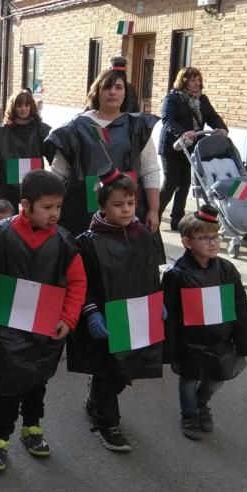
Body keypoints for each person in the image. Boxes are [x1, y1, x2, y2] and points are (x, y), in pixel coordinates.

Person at [0, 170, 87, 471]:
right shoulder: (0, 235)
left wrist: (69, 318)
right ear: (25, 205)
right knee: (5, 383)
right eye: (47, 207)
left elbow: (77, 283)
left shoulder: (65, 243)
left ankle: (32, 428)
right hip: (7, 325)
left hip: (45, 329)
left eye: (58, 207)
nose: (54, 214)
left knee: (37, 380)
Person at [67, 168, 164, 453]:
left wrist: (159, 302)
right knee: (109, 370)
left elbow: (150, 273)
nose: (125, 210)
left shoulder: (142, 236)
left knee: (126, 370)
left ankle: (95, 399)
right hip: (105, 317)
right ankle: (107, 424)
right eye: (118, 204)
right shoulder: (88, 241)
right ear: (103, 206)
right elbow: (79, 281)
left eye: (130, 203)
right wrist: (91, 312)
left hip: (137, 315)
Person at [161, 205, 247, 440]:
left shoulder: (226, 269)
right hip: (190, 343)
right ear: (187, 242)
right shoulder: (176, 274)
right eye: (204, 238)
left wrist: (242, 339)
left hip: (221, 340)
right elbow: (168, 313)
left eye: (216, 236)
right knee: (189, 380)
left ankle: (202, 402)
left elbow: (240, 305)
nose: (213, 242)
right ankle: (189, 414)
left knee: (217, 378)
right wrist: (169, 347)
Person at [46, 70, 160, 236]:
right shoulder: (76, 127)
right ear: (97, 92)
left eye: (119, 87)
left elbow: (150, 169)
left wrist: (154, 210)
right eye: (107, 87)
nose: (113, 92)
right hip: (82, 211)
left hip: (127, 209)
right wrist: (46, 205)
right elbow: (58, 172)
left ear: (125, 93)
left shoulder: (137, 126)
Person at [157, 67, 228, 231]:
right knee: (171, 182)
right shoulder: (173, 98)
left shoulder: (202, 99)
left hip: (193, 148)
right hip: (173, 146)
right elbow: (167, 119)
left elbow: (212, 117)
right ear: (183, 81)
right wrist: (183, 133)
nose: (196, 83)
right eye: (192, 80)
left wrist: (221, 128)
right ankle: (154, 214)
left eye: (198, 80)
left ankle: (177, 219)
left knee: (185, 183)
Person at [0, 90, 50, 205]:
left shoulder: (41, 129)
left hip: (33, 179)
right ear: (13, 107)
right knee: (9, 217)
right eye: (19, 105)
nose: (23, 109)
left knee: (32, 216)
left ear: (31, 107)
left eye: (26, 105)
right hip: (7, 179)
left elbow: (53, 154)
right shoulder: (3, 130)